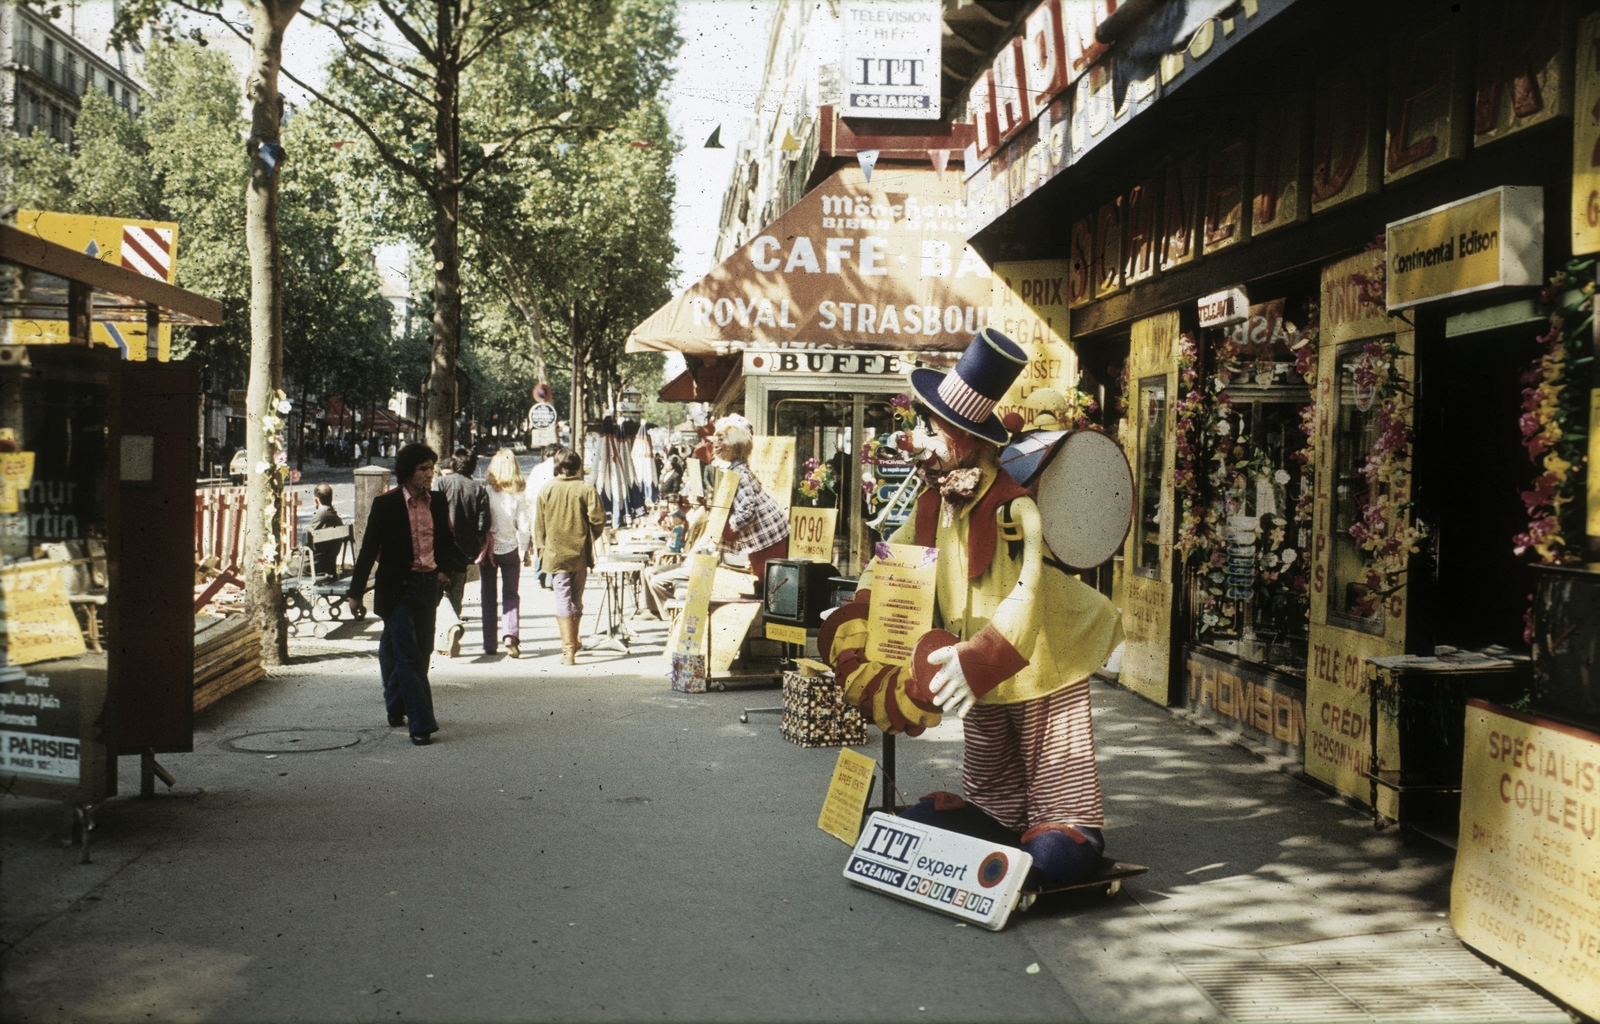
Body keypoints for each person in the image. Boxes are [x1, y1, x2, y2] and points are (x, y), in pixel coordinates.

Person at [818, 328, 1123, 887]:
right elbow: (895, 560)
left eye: (932, 428)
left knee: (1051, 759)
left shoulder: (1013, 505)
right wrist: (857, 611)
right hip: (976, 659)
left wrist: (978, 659)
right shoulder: (936, 501)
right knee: (992, 779)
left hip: (1043, 653)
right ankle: (1000, 819)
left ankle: (1067, 827)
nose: (921, 439)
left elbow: (1030, 588)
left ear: (961, 437)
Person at [348, 443, 466, 746]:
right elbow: (368, 549)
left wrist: (444, 572)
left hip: (428, 586)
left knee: (420, 651)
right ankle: (421, 723)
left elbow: (446, 540)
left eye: (431, 468)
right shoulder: (386, 504)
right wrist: (356, 593)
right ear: (407, 472)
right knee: (408, 654)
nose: (429, 475)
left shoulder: (437, 502)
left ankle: (396, 704)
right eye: (422, 469)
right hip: (397, 590)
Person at [533, 448, 603, 665]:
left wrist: (542, 550)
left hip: (555, 555)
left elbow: (539, 526)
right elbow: (598, 520)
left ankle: (568, 650)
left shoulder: (547, 489)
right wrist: (591, 538)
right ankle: (574, 640)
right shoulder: (586, 488)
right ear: (578, 466)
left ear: (557, 466)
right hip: (580, 554)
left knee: (562, 598)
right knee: (577, 599)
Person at [708, 415, 790, 591]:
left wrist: (730, 527)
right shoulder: (737, 470)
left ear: (735, 443)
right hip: (765, 531)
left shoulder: (739, 474)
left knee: (769, 576)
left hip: (767, 533)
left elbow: (747, 509)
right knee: (766, 574)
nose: (716, 444)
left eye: (721, 439)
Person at [432, 447, 489, 658]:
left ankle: (450, 629)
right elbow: (483, 524)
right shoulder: (479, 490)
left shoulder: (441, 483)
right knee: (456, 592)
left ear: (454, 464)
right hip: (464, 549)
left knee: (440, 592)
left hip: (440, 546)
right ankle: (449, 637)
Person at [481, 448, 533, 658]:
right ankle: (510, 635)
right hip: (510, 548)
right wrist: (525, 548)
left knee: (488, 595)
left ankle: (490, 642)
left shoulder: (486, 491)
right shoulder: (519, 493)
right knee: (511, 594)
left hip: (489, 550)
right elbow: (524, 525)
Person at [526, 446, 560, 590]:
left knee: (540, 542)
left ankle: (539, 574)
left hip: (537, 510)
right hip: (556, 512)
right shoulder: (559, 469)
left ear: (546, 454)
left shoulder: (537, 469)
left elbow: (528, 494)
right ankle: (551, 578)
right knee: (553, 544)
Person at [302, 483, 345, 578]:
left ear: (316, 499)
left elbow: (306, 544)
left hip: (314, 567)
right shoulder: (336, 517)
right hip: (329, 566)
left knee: (283, 567)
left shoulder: (320, 517)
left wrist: (292, 553)